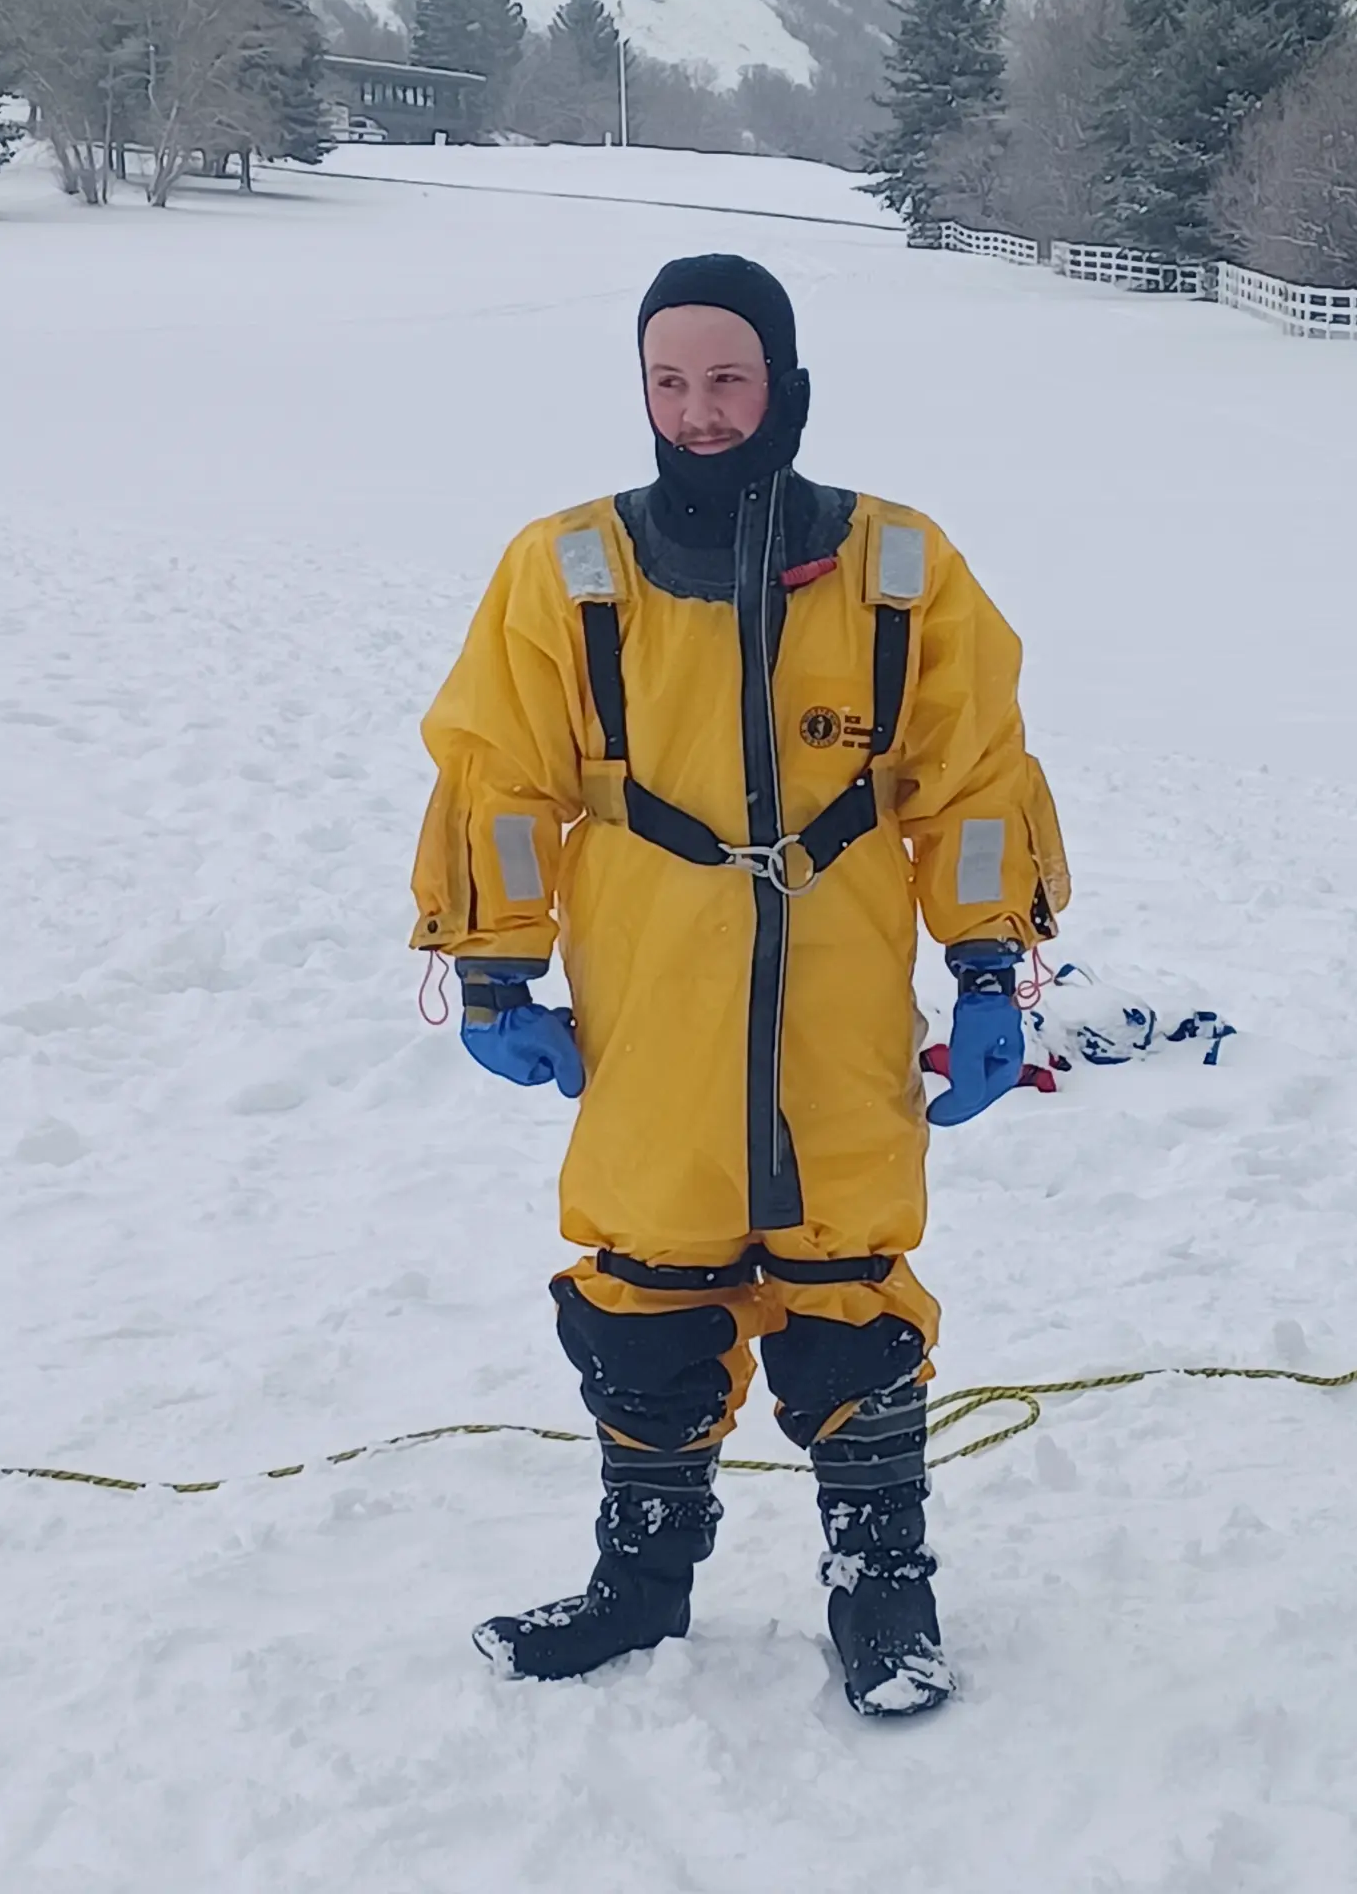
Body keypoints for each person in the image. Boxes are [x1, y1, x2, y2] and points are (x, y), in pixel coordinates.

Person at [410, 255, 1069, 1717]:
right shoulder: (568, 566)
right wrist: (499, 963)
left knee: (847, 1278)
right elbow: (500, 769)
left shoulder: (901, 566)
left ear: (782, 381)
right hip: (653, 993)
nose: (700, 411)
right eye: (669, 381)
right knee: (646, 1277)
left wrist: (981, 969)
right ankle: (639, 1584)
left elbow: (970, 779)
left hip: (838, 994)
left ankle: (881, 1589)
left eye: (728, 377)